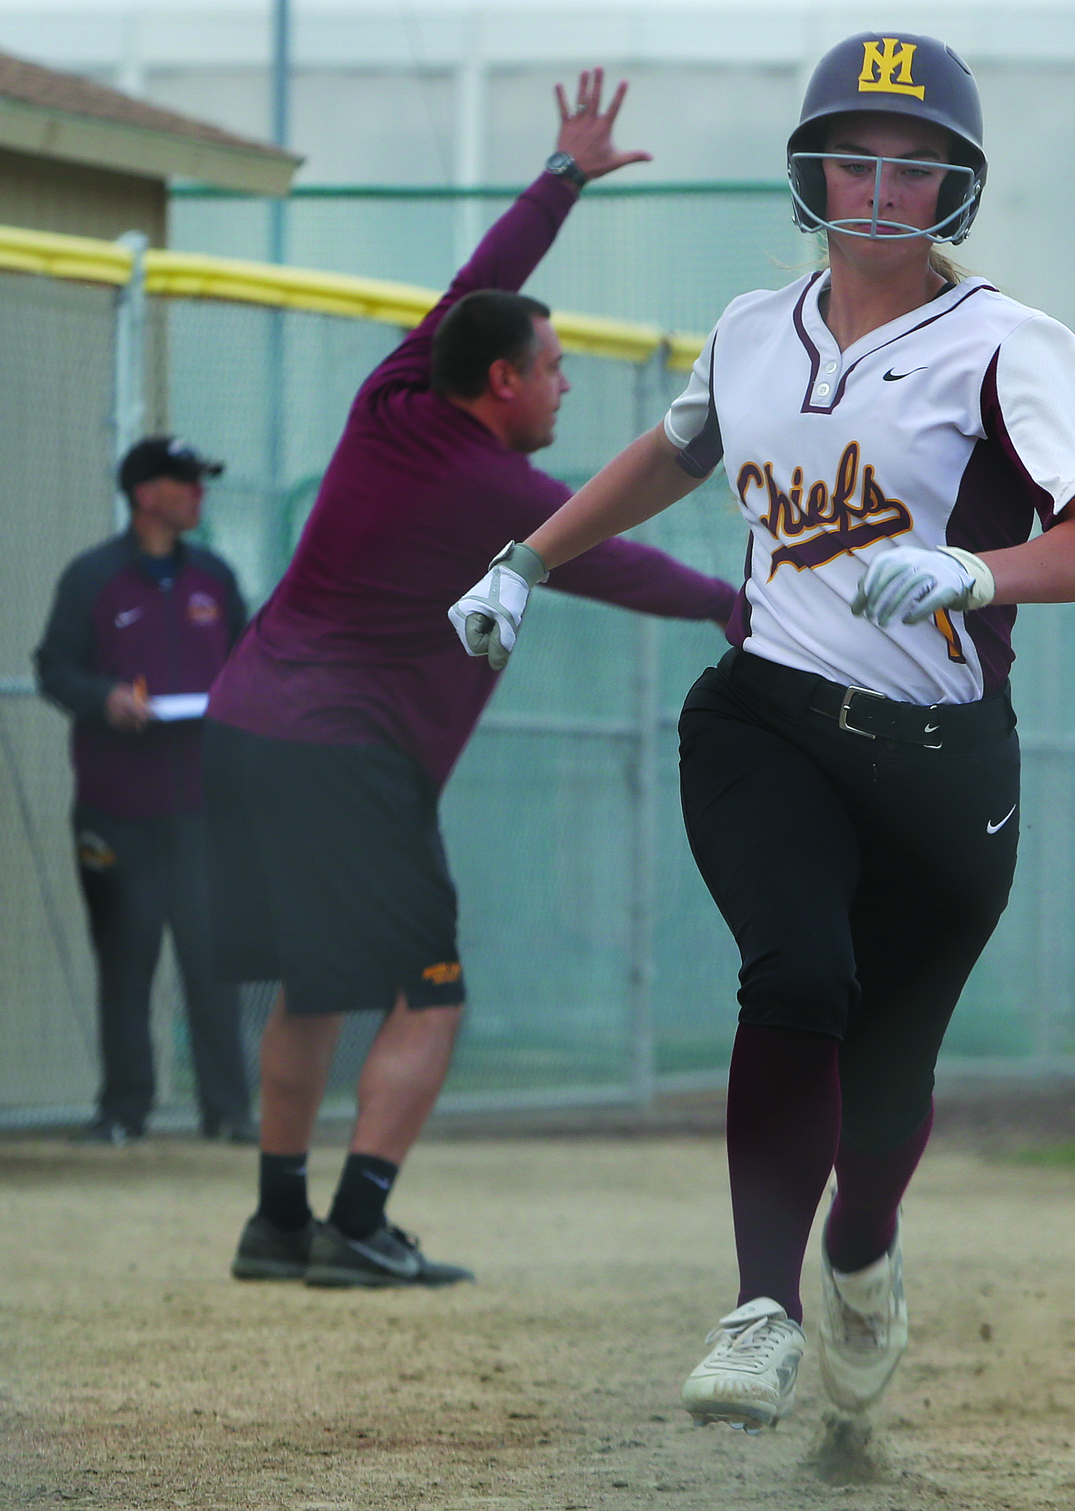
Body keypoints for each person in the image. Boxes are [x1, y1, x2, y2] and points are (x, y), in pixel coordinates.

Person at [451, 33, 1075, 1427]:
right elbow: (677, 447)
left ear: (955, 183)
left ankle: (860, 1246)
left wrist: (976, 569)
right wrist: (525, 553)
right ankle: (758, 1307)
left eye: (913, 160)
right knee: (796, 973)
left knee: (884, 1093)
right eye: (854, 155)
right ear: (810, 168)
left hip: (942, 765)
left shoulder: (1010, 341)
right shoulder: (752, 325)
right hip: (766, 719)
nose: (878, 184)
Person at [205, 69, 736, 1289]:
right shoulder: (497, 490)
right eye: (550, 366)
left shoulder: (395, 388)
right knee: (430, 994)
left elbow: (481, 283)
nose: (560, 381)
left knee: (317, 983)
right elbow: (615, 554)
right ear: (502, 382)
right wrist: (733, 603)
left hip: (245, 725)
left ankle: (277, 1220)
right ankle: (357, 1219)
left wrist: (560, 178)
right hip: (343, 752)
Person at [36, 436, 254, 1146]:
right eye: (185, 480)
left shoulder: (215, 579)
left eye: (201, 479)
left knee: (213, 963)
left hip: (200, 808)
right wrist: (104, 700)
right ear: (144, 494)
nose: (199, 492)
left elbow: (251, 662)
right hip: (115, 808)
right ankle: (124, 1110)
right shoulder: (93, 577)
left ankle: (227, 1112)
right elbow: (53, 667)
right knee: (125, 958)